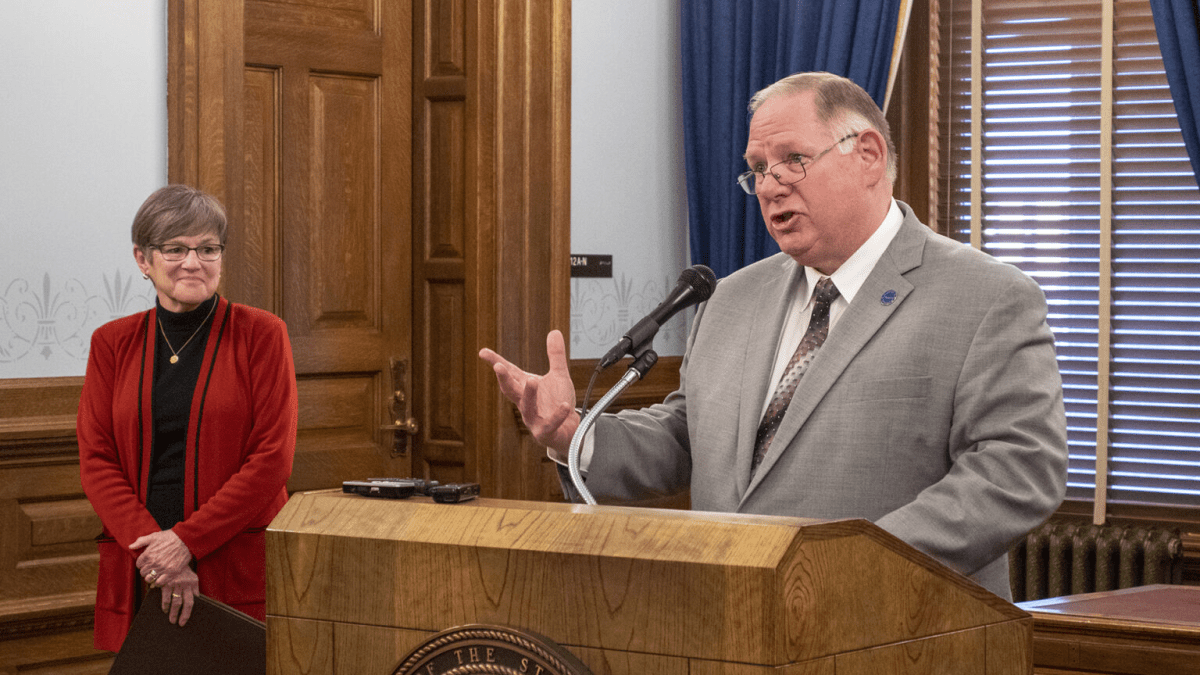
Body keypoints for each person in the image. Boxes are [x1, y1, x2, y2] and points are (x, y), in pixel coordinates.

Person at [479, 72, 1067, 600]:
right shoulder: (731, 297)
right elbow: (688, 436)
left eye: (792, 160)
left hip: (895, 628)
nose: (769, 186)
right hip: (732, 621)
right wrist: (576, 436)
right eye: (758, 169)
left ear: (867, 155)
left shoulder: (986, 296)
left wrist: (852, 564)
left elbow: (1017, 471)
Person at [77, 184, 298, 651]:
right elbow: (97, 460)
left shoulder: (262, 334)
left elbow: (272, 459)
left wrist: (185, 543)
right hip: (143, 565)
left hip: (232, 560)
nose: (193, 262)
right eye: (175, 249)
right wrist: (158, 554)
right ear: (143, 259)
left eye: (208, 249)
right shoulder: (111, 343)